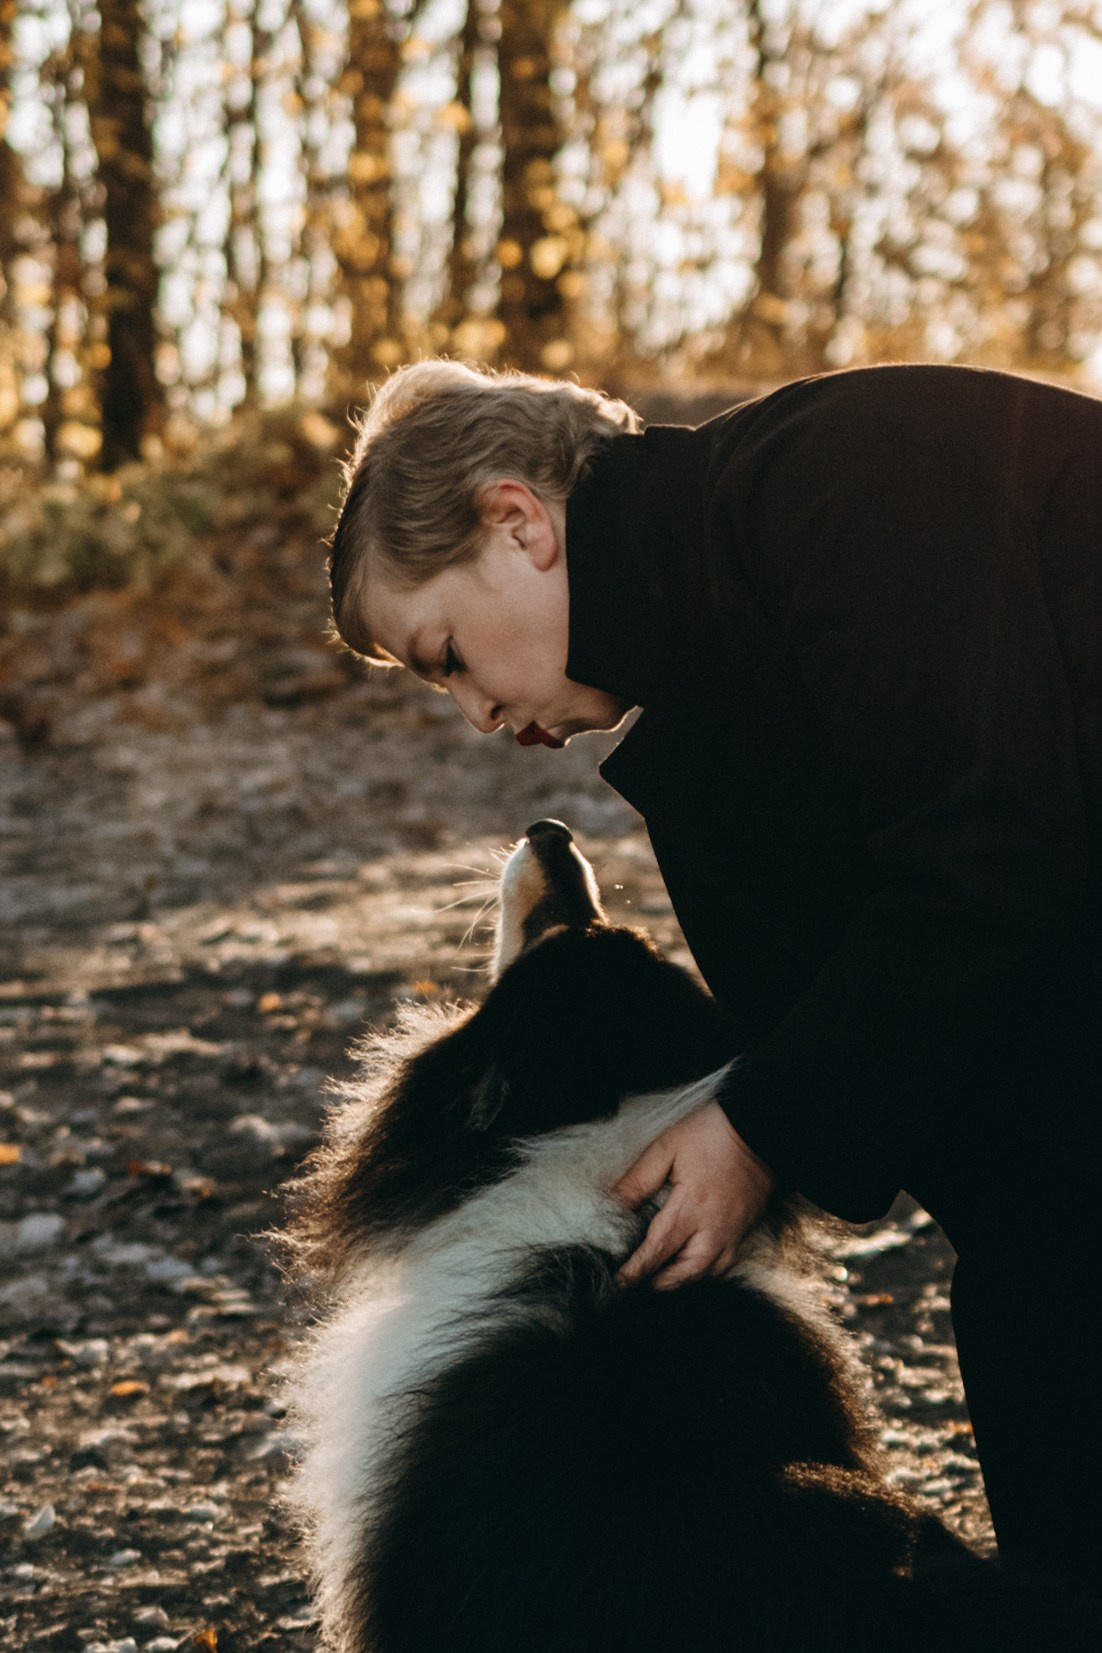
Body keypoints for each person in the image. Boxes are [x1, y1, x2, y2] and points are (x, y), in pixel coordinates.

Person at [325, 357, 1102, 1600]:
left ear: (518, 521)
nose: (474, 712)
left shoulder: (842, 482)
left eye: (450, 654)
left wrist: (753, 1130)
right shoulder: (716, 671)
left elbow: (991, 859)